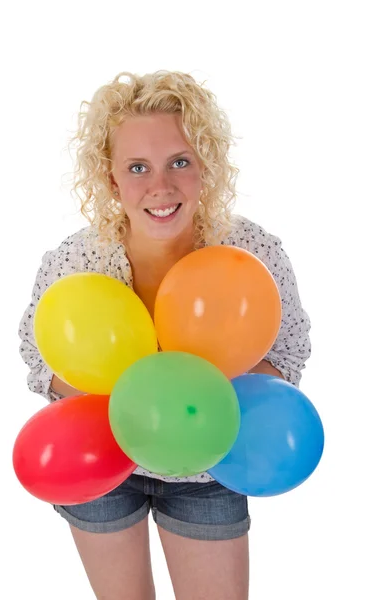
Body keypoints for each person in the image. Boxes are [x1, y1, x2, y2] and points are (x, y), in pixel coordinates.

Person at [18, 70, 311, 600]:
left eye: (180, 161)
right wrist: (132, 406)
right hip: (101, 465)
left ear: (206, 167)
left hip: (208, 472)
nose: (161, 186)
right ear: (111, 181)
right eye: (137, 167)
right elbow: (38, 357)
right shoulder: (78, 262)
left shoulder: (252, 254)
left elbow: (287, 353)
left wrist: (191, 404)